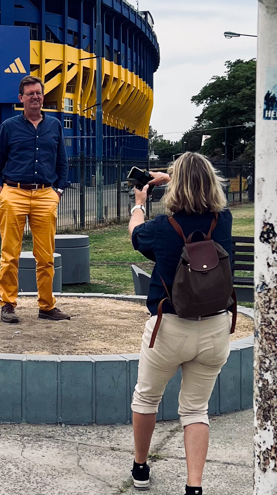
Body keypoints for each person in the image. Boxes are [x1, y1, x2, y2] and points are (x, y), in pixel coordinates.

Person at [128, 152, 233, 495]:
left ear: (178, 185)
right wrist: (176, 176)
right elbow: (197, 190)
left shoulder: (161, 229)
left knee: (147, 399)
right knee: (195, 410)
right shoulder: (225, 220)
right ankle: (194, 486)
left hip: (169, 328)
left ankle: (140, 468)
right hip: (215, 329)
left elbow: (135, 234)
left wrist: (140, 203)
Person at [0, 75, 69, 324]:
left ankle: (47, 306)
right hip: (14, 193)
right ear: (20, 98)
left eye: (39, 93)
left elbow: (62, 163)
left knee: (45, 257)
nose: (35, 96)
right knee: (9, 254)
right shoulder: (9, 126)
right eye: (30, 93)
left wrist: (58, 192)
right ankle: (8, 305)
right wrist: (1, 191)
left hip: (46, 194)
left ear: (43, 97)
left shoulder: (55, 125)